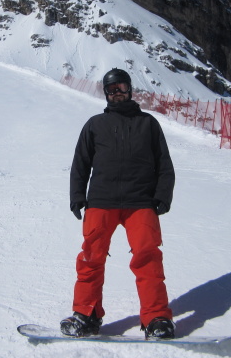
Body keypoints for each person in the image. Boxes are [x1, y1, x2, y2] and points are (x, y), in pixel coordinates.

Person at [60, 68, 176, 340]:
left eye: (121, 87)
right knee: (90, 257)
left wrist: (162, 195)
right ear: (107, 94)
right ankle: (86, 314)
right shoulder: (94, 124)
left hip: (140, 202)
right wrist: (77, 196)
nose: (117, 93)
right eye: (112, 90)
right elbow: (80, 163)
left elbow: (164, 164)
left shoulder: (148, 123)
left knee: (148, 257)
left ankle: (156, 317)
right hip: (101, 201)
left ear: (130, 89)